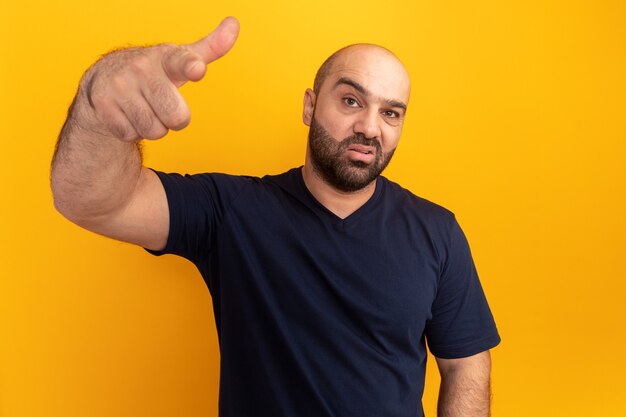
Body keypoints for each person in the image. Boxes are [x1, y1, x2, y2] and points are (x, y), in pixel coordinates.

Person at [50, 16, 500, 417]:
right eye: (350, 101)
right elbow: (89, 199)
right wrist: (99, 102)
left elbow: (465, 363)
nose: (369, 126)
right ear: (310, 105)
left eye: (390, 112)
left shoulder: (437, 231)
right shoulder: (231, 210)